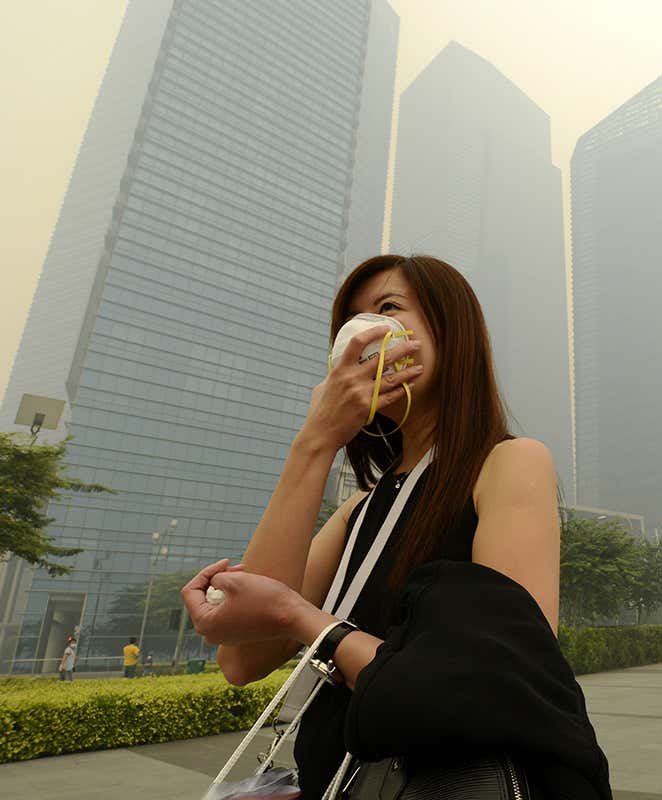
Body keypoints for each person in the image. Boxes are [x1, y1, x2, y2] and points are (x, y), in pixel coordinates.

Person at [183, 256, 612, 799]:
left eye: (388, 309)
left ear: (450, 332)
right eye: (350, 327)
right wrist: (315, 443)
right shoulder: (358, 509)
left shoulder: (508, 463)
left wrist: (301, 619)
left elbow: (499, 681)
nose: (366, 336)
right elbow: (242, 656)